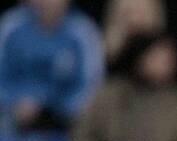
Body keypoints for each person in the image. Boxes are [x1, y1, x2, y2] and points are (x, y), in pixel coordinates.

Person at [0, 0, 103, 129]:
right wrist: (14, 102)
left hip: (64, 120)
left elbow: (91, 86)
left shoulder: (83, 31)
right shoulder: (11, 25)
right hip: (12, 116)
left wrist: (51, 110)